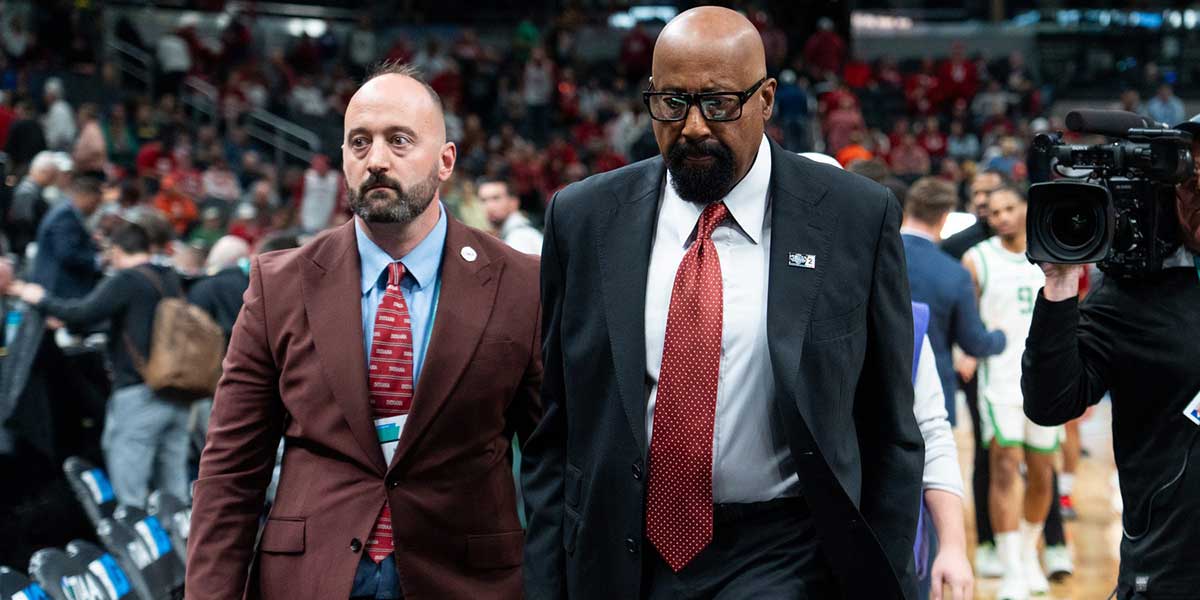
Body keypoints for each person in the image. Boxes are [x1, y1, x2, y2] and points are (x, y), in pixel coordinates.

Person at [523, 8, 923, 599]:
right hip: (621, 553)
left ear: (765, 100)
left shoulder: (854, 216)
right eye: (670, 102)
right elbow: (557, 428)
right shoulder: (581, 219)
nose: (691, 127)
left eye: (717, 104)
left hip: (787, 551)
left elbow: (890, 429)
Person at [186, 61, 543, 600]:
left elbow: (551, 460)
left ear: (446, 160)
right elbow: (232, 470)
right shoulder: (279, 284)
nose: (376, 160)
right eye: (359, 143)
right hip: (310, 579)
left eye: (399, 141)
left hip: (465, 580)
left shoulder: (522, 284)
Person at [1022, 122, 1200, 600]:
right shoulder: (1130, 297)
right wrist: (1060, 285)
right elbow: (1051, 403)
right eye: (1191, 184)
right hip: (1170, 571)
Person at [7, 221, 190, 506]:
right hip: (178, 391)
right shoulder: (167, 278)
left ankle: (139, 546)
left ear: (116, 251)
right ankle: (181, 545)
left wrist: (41, 298)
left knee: (131, 489)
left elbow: (83, 312)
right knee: (174, 486)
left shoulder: (127, 280)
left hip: (140, 392)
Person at [962, 185, 1058, 599]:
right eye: (994, 211)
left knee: (1041, 471)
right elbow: (966, 319)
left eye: (1009, 209)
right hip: (999, 378)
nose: (1000, 217)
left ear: (1025, 209)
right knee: (1004, 466)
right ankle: (1011, 568)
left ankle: (1028, 550)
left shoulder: (1052, 252)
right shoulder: (977, 259)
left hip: (1046, 379)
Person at [901, 177, 1006, 425]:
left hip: (876, 385)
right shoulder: (953, 273)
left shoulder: (876, 254)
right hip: (931, 393)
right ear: (944, 216)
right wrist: (1001, 337)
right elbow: (974, 343)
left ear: (909, 208)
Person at [30, 173, 103, 300]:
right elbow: (67, 253)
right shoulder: (65, 217)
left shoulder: (66, 211)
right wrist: (98, 260)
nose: (95, 208)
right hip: (59, 288)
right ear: (86, 196)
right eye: (95, 202)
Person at [6, 151, 59, 260]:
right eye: (52, 175)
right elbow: (22, 224)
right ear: (44, 172)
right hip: (23, 251)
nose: (53, 180)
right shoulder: (26, 192)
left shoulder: (37, 192)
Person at [478, 178, 542, 255]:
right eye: (483, 200)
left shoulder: (519, 236)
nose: (489, 206)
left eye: (496, 198)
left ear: (513, 202)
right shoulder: (513, 233)